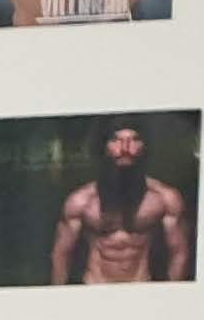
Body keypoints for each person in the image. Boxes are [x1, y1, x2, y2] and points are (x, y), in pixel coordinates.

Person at [50, 120, 191, 286]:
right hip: (95, 285)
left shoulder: (165, 198)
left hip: (141, 286)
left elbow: (179, 253)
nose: (125, 148)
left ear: (144, 147)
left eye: (134, 139)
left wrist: (173, 296)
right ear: (104, 147)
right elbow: (61, 255)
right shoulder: (81, 201)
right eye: (116, 140)